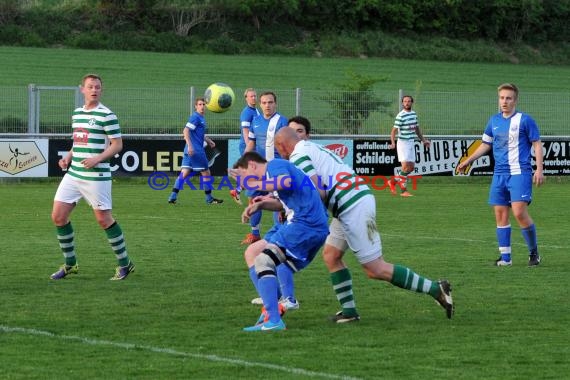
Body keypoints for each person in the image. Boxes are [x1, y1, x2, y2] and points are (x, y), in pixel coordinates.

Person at [275, 118, 454, 322]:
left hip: (352, 205)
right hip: (350, 201)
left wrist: (293, 209)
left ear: (282, 146)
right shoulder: (310, 146)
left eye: (278, 150)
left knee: (375, 268)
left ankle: (435, 289)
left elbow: (319, 192)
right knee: (331, 255)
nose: (280, 155)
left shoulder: (298, 157)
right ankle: (349, 312)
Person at [230, 151, 329, 331]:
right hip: (309, 227)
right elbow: (284, 203)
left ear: (252, 165)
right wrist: (260, 205)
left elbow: (285, 182)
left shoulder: (275, 165)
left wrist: (253, 182)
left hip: (305, 225)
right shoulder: (273, 175)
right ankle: (272, 311)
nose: (244, 183)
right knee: (256, 255)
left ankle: (274, 319)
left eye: (243, 175)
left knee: (263, 260)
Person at [50, 73, 134, 281]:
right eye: (90, 86)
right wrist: (68, 157)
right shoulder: (77, 114)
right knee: (58, 216)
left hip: (96, 176)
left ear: (101, 90)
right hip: (74, 174)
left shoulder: (107, 115)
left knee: (104, 220)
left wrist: (98, 158)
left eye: (97, 87)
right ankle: (70, 264)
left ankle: (125, 264)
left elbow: (117, 144)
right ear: (82, 89)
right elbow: (78, 142)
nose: (94, 90)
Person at [457, 83, 544, 267]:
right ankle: (506, 258)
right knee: (500, 213)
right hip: (499, 174)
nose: (504, 101)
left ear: (515, 100)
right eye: (502, 98)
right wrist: (468, 160)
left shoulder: (525, 120)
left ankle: (533, 252)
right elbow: (485, 144)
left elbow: (536, 144)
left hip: (520, 172)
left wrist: (539, 169)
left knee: (519, 212)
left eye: (508, 98)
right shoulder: (494, 121)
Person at [240, 91, 288, 245]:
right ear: (260, 105)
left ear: (275, 103)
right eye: (264, 103)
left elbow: (287, 146)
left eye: (270, 102)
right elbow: (251, 143)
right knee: (254, 199)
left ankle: (279, 235)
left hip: (276, 168)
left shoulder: (282, 121)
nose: (267, 105)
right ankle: (255, 234)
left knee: (277, 200)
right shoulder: (256, 120)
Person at [168, 97, 223, 205]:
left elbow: (197, 134)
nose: (202, 106)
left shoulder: (200, 118)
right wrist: (190, 146)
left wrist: (208, 140)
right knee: (206, 172)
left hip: (189, 150)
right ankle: (209, 198)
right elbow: (186, 130)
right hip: (196, 150)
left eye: (203, 104)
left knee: (184, 173)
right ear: (196, 106)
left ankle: (172, 197)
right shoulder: (196, 117)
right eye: (200, 104)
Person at [388, 95, 430, 197]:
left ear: (412, 103)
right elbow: (393, 131)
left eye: (409, 101)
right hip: (403, 143)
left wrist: (424, 140)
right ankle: (403, 191)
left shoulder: (413, 114)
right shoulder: (400, 115)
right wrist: (393, 143)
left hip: (411, 142)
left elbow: (416, 129)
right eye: (405, 101)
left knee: (410, 168)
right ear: (402, 103)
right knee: (405, 167)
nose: (407, 103)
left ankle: (392, 182)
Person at [229, 88, 260, 205]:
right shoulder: (247, 112)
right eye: (251, 96)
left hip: (254, 146)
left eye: (255, 96)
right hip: (247, 145)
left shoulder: (255, 110)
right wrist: (249, 146)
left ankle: (236, 190)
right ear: (246, 98)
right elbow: (245, 130)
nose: (254, 98)